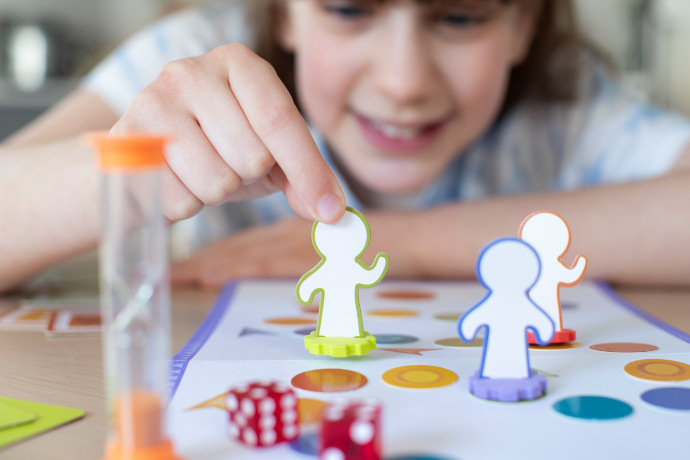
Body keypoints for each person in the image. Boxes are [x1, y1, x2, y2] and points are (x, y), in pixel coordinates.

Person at [0, 0, 689, 294]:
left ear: (521, 27)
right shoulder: (189, 60)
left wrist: (407, 239)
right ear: (281, 14)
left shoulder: (566, 103)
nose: (403, 81)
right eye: (349, 9)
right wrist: (126, 170)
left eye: (458, 16)